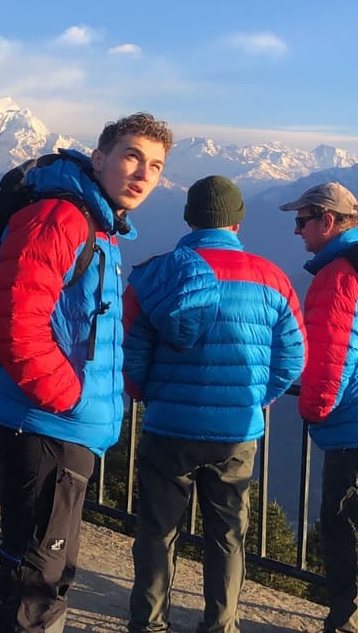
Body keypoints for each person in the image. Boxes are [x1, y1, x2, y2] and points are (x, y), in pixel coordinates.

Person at [0, 113, 172, 632]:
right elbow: (14, 323)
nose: (143, 174)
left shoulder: (99, 225)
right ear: (99, 157)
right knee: (37, 580)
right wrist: (69, 398)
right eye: (132, 156)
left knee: (41, 570)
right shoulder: (62, 218)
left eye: (155, 166)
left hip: (60, 426)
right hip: (47, 425)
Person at [124, 175, 306, 633]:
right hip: (237, 432)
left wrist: (151, 395)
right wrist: (254, 398)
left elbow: (132, 352)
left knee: (157, 530)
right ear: (237, 223)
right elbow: (292, 357)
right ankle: (221, 625)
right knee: (227, 535)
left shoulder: (160, 275)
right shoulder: (272, 278)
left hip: (169, 426)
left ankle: (149, 623)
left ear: (189, 220)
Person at [279, 181, 358, 633]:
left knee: (345, 530)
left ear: (327, 221)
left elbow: (332, 355)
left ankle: (346, 622)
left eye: (302, 220)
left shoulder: (340, 274)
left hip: (352, 430)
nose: (297, 231)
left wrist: (313, 409)